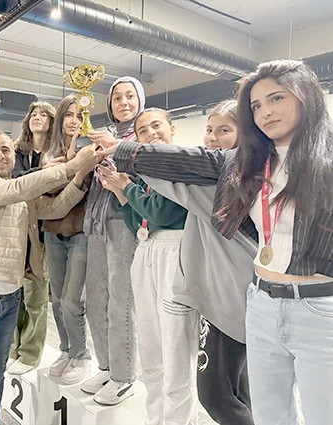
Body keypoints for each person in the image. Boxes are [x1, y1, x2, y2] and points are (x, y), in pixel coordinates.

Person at [103, 60, 333, 425]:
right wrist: (121, 151)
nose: (266, 111)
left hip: (315, 303)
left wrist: (123, 166)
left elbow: (167, 200)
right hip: (261, 299)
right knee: (269, 411)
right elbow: (189, 161)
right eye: (256, 105)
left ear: (305, 96)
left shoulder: (323, 162)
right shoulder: (244, 165)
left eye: (276, 98)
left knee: (319, 411)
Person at [0, 131, 98, 425]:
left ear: (13, 155)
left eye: (5, 149)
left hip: (10, 299)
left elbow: (55, 207)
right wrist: (69, 166)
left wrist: (79, 176)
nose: (0, 155)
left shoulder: (20, 194)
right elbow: (17, 188)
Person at [139, 100, 256, 425]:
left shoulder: (223, 182)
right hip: (226, 293)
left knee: (215, 394)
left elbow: (164, 192)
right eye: (209, 130)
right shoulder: (225, 175)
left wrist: (123, 155)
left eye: (224, 130)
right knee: (239, 388)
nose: (212, 138)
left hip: (228, 300)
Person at [97, 108, 200, 423]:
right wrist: (119, 189)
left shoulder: (181, 162)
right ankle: (155, 417)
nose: (151, 133)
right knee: (151, 346)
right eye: (143, 130)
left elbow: (162, 214)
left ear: (172, 128)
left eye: (156, 125)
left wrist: (126, 187)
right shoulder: (147, 172)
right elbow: (138, 223)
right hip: (146, 251)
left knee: (176, 348)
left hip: (175, 252)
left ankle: (179, 420)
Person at [79, 76, 145, 405]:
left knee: (120, 302)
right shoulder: (102, 136)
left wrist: (117, 149)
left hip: (123, 224)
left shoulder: (143, 137)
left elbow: (144, 175)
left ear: (139, 100)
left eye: (130, 96)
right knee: (95, 300)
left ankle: (124, 375)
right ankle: (106, 367)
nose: (123, 103)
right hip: (96, 223)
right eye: (117, 97)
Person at [43, 95, 93, 385]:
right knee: (57, 300)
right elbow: (46, 191)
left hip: (81, 232)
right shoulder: (48, 154)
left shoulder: (91, 149)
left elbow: (86, 188)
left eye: (80, 115)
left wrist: (77, 162)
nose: (75, 121)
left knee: (73, 300)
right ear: (60, 118)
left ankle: (81, 355)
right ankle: (67, 349)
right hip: (53, 232)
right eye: (70, 115)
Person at [8, 101, 57, 375]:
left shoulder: (58, 152)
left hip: (44, 232)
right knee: (15, 294)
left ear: (51, 121)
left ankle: (30, 354)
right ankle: (13, 348)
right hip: (17, 230)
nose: (37, 118)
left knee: (36, 296)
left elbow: (54, 188)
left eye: (43, 114)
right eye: (33, 114)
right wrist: (42, 175)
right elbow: (16, 184)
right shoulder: (16, 151)